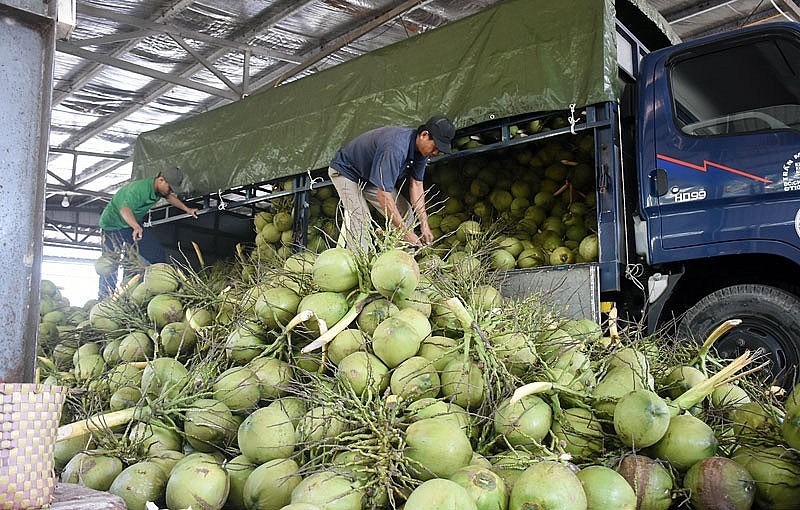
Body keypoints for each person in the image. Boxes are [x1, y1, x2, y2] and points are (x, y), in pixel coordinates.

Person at [328, 115, 456, 251]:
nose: (436, 152)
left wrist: (424, 223)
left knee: (405, 212)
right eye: (435, 147)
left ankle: (402, 263)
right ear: (424, 135)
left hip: (369, 176)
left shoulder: (421, 152)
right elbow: (383, 195)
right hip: (346, 172)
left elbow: (416, 185)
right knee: (361, 220)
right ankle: (358, 266)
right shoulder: (395, 148)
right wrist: (406, 233)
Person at [98, 167, 199, 297]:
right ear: (161, 180)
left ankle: (158, 288)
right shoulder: (139, 190)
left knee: (156, 254)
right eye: (170, 188)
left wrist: (187, 209)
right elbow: (124, 210)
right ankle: (105, 299)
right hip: (112, 225)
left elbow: (169, 197)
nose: (170, 191)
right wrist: (135, 226)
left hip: (130, 224)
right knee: (110, 265)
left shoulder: (159, 190)